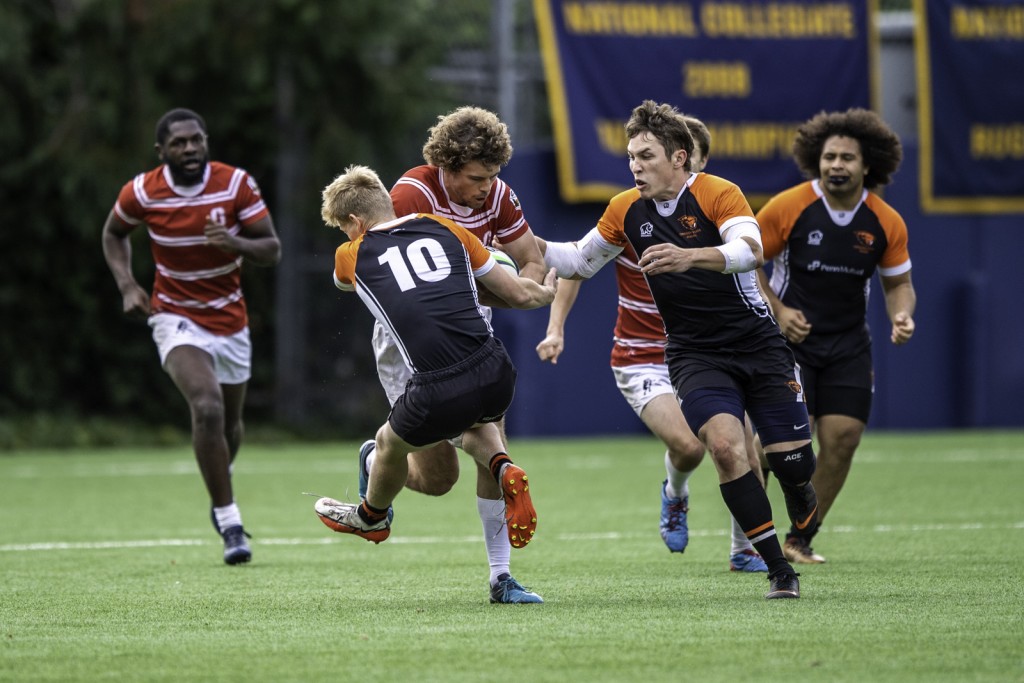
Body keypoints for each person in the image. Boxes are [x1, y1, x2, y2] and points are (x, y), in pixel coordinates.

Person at [540, 100, 821, 599]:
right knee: (725, 448)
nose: (635, 166)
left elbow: (749, 250)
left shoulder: (718, 193)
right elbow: (577, 263)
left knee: (793, 465)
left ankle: (800, 496)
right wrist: (520, 242)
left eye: (646, 155)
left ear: (680, 157)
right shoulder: (624, 208)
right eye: (631, 157)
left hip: (757, 344)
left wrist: (689, 256)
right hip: (694, 353)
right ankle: (779, 568)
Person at [312, 165, 557, 591]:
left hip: (436, 384)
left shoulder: (350, 254)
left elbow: (345, 282)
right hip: (496, 368)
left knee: (389, 443)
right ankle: (502, 469)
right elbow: (518, 293)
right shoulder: (447, 228)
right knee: (477, 430)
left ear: (354, 223)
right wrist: (548, 294)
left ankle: (371, 517)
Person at [357, 107, 549, 604]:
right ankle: (380, 455)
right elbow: (399, 285)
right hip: (409, 340)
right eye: (475, 178)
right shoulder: (410, 196)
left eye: (492, 176)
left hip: (469, 330)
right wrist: (498, 289)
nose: (486, 187)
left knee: (493, 443)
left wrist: (522, 282)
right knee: (440, 479)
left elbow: (530, 255)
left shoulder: (498, 193)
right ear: (446, 166)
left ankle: (501, 578)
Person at [101, 107, 282, 565]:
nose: (189, 149)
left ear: (206, 142)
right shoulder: (142, 191)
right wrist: (127, 285)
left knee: (229, 424)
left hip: (230, 319)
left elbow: (271, 249)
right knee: (205, 405)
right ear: (161, 152)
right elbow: (113, 233)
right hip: (174, 316)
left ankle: (220, 477)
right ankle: (230, 522)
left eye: (196, 140)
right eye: (179, 143)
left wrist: (235, 243)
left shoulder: (236, 184)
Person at [755, 108, 916, 564]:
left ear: (868, 165)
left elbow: (899, 284)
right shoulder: (789, 207)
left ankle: (800, 539)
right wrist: (779, 309)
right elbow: (747, 265)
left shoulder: (885, 221)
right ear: (815, 160)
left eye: (848, 157)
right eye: (829, 157)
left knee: (843, 438)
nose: (837, 165)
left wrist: (902, 317)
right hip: (788, 342)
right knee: (782, 443)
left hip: (848, 342)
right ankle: (753, 532)